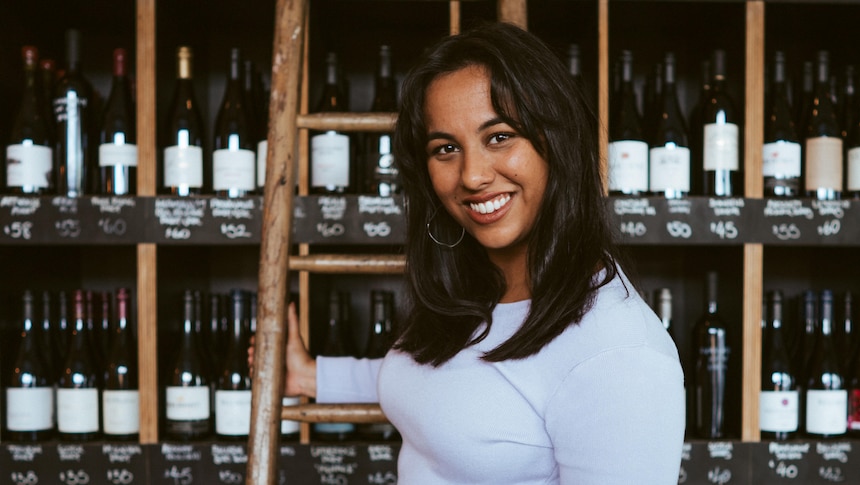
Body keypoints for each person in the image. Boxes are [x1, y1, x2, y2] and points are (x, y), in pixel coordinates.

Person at [252, 21, 685, 484]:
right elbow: (452, 380)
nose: (472, 175)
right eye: (445, 148)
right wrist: (312, 377)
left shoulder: (620, 357)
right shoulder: (483, 285)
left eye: (499, 136)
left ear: (557, 141)